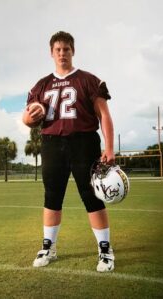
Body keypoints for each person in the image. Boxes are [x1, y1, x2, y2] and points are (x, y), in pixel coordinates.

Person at [22, 31, 115, 272]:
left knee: (91, 196)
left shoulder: (88, 79)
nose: (62, 53)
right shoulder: (41, 84)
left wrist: (109, 147)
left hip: (83, 142)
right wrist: (29, 116)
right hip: (52, 143)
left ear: (73, 51)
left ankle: (105, 250)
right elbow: (26, 118)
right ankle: (48, 247)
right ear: (51, 53)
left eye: (66, 49)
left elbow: (103, 115)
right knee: (52, 196)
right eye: (58, 49)